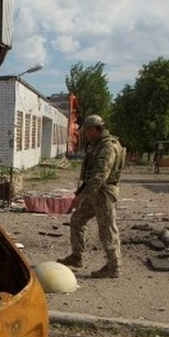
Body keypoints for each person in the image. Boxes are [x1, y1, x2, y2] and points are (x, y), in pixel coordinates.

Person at [60, 115, 126, 278]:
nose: (85, 135)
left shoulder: (107, 147)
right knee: (77, 219)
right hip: (93, 193)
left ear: (93, 130)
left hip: (104, 194)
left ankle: (114, 267)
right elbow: (90, 176)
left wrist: (81, 196)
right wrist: (80, 193)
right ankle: (76, 256)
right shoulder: (97, 145)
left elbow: (100, 176)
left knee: (107, 229)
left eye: (86, 132)